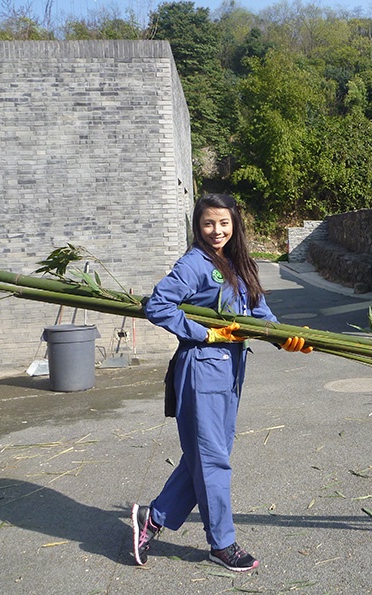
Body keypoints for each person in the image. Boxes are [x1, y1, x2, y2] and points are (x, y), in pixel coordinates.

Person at [132, 193, 311, 572]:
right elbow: (158, 305)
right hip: (201, 369)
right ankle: (222, 543)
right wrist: (205, 333)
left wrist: (287, 338)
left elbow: (259, 314)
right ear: (198, 226)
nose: (216, 230)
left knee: (207, 456)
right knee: (212, 459)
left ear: (235, 225)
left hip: (230, 372)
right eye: (209, 223)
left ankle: (155, 517)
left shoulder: (237, 264)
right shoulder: (194, 263)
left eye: (224, 223)